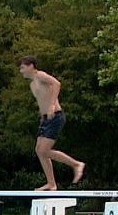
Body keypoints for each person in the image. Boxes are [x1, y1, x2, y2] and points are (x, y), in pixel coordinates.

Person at [18, 55, 84, 191]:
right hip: (46, 119)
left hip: (55, 116)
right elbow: (42, 100)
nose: (21, 71)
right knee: (39, 150)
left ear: (31, 66)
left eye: (23, 67)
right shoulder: (32, 84)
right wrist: (43, 115)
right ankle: (51, 183)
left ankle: (76, 164)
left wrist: (52, 105)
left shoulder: (40, 75)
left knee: (44, 150)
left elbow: (56, 83)